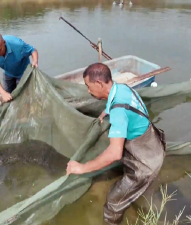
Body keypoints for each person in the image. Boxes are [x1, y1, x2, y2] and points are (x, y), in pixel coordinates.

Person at [66, 63, 166, 225]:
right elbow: (121, 105)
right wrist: (107, 110)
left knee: (113, 202)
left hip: (145, 165)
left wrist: (81, 167)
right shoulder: (121, 89)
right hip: (153, 144)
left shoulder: (119, 111)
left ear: (99, 83)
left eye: (88, 86)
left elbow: (114, 154)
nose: (88, 91)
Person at [0, 31, 38, 102]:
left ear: (4, 42)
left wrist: (35, 61)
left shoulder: (18, 44)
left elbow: (33, 50)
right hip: (8, 73)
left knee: (24, 96)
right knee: (7, 96)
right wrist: (3, 93)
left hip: (23, 73)